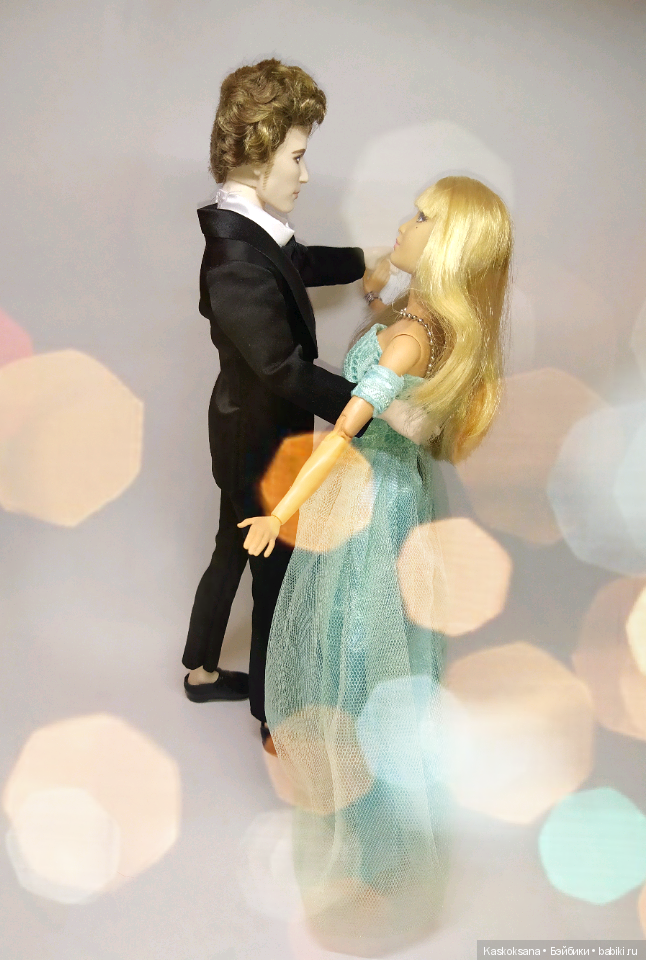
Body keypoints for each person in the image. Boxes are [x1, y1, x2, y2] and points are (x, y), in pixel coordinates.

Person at [240, 176, 513, 952]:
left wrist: (280, 512)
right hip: (383, 494)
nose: (405, 222)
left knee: (361, 657)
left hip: (369, 506)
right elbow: (395, 405)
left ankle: (373, 857)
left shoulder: (408, 340)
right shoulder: (423, 321)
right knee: (358, 649)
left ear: (448, 245)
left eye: (423, 218)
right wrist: (380, 277)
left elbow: (343, 431)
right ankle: (361, 825)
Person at [181, 58, 390, 735]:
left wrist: (365, 262)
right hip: (258, 439)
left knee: (230, 549)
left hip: (244, 427)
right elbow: (281, 368)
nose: (304, 174)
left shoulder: (248, 230)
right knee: (275, 570)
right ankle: (273, 714)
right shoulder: (234, 262)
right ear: (258, 155)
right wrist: (370, 402)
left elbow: (298, 262)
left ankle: (200, 670)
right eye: (296, 157)